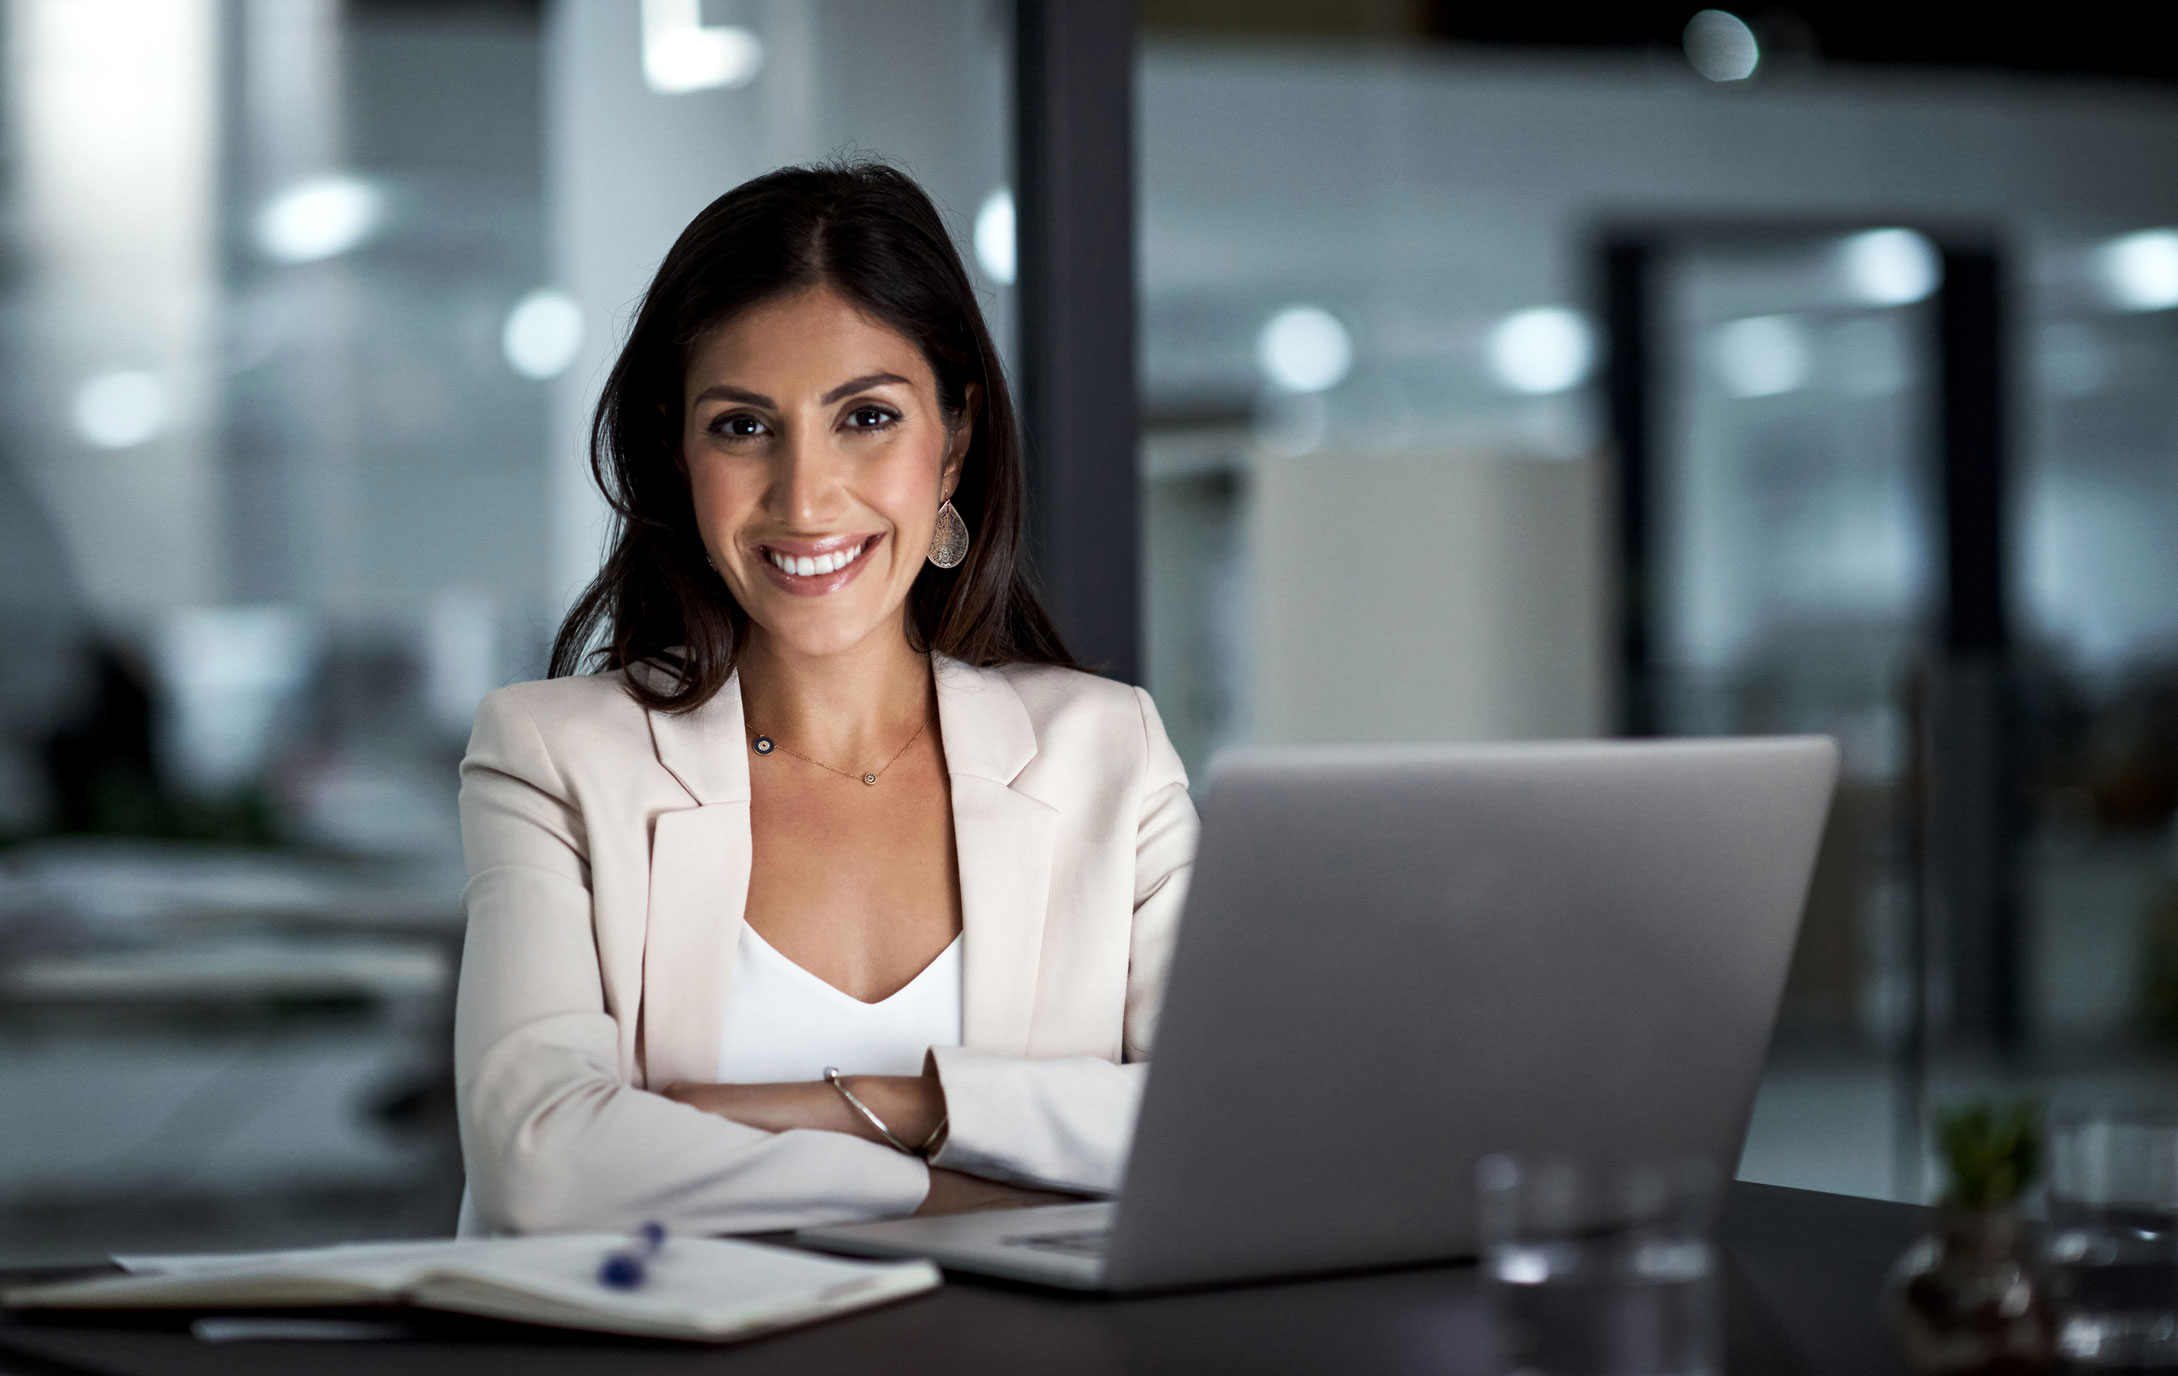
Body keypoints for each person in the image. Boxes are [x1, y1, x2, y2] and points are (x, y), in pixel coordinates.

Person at [453, 161, 1199, 1235]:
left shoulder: (1109, 755)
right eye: (744, 427)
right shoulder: (553, 757)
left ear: (956, 442)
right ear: (677, 452)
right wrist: (966, 1179)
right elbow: (546, 1171)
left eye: (866, 417)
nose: (804, 497)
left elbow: (1217, 1130)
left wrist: (895, 1102)